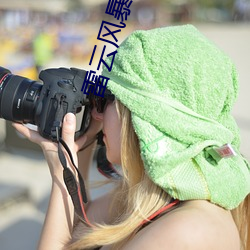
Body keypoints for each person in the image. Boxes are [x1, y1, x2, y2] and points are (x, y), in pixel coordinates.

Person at [13, 24, 250, 250]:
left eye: (107, 99)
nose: (96, 113)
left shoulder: (189, 230)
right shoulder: (150, 195)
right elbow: (76, 232)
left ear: (144, 115)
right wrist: (74, 154)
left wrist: (60, 177)